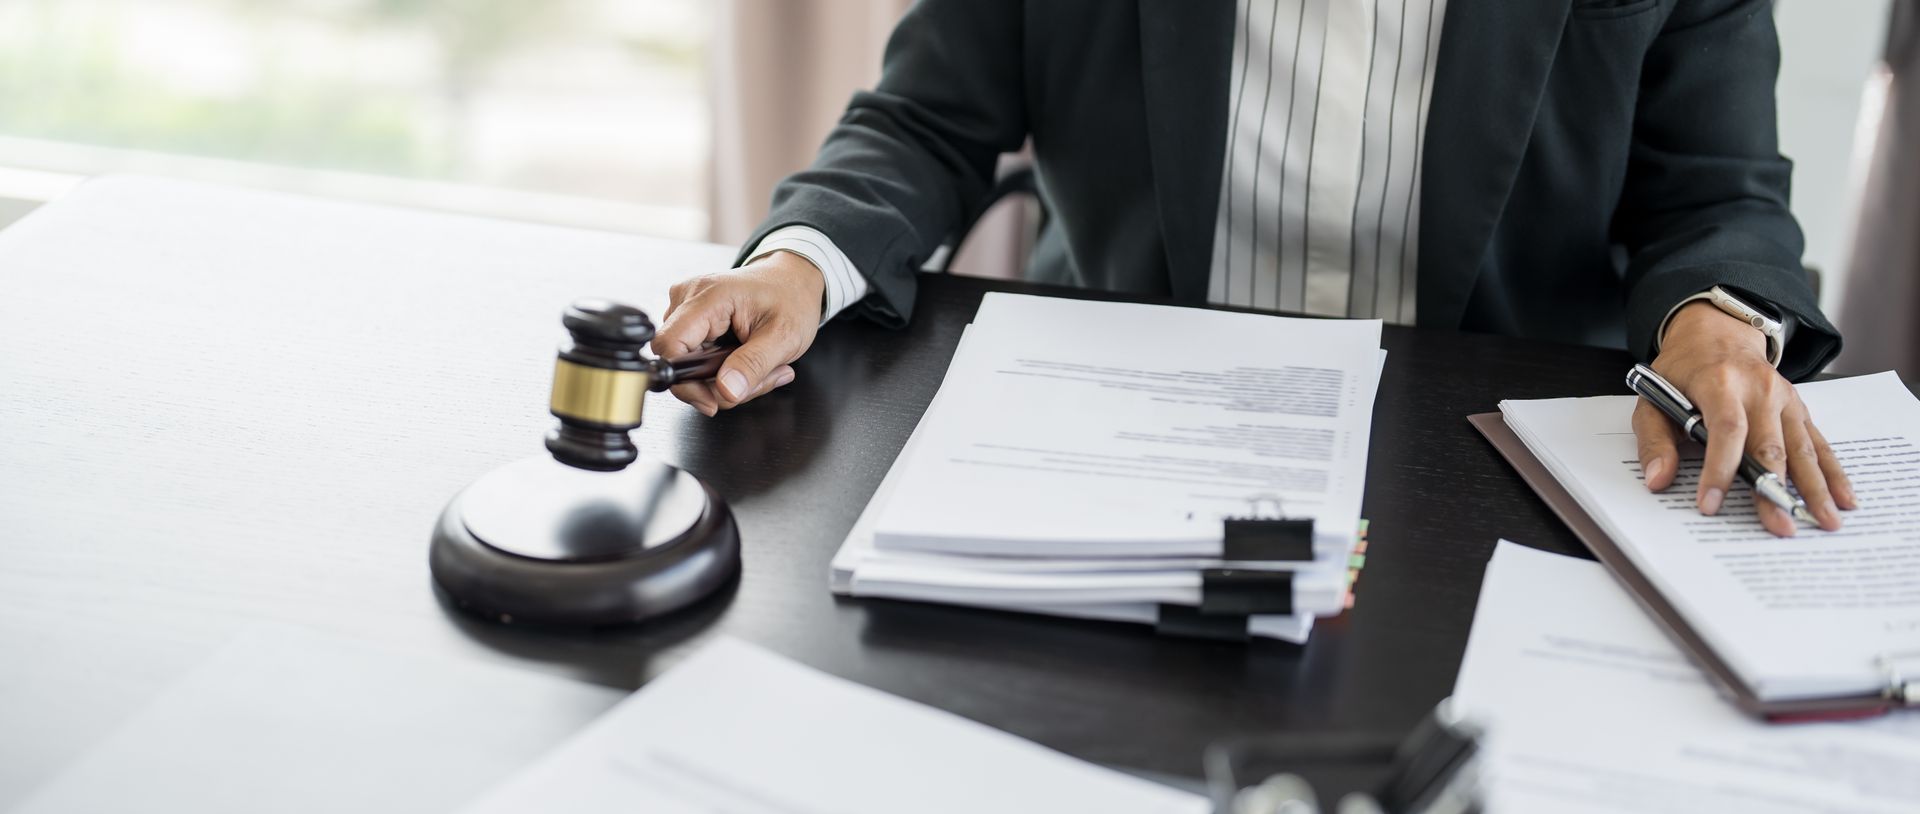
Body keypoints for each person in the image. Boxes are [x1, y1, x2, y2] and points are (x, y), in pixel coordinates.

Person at [652, 0, 1852, 538]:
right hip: (1125, 422)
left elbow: (1715, 190)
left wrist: (1715, 322)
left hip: (1492, 458)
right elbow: (924, 121)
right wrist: (802, 263)